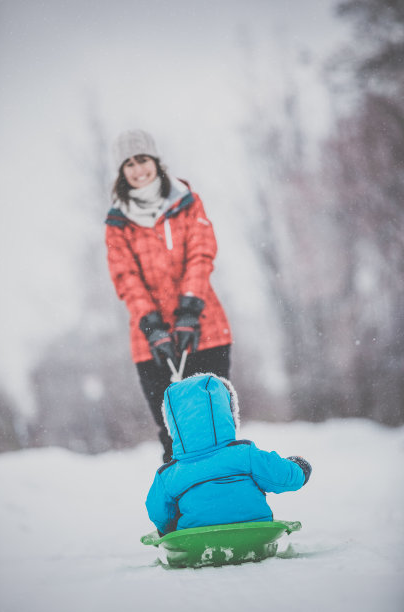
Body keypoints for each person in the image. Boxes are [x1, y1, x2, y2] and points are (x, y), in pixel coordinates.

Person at [105, 129, 232, 462]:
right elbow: (125, 276)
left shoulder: (187, 202)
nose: (137, 169)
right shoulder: (116, 221)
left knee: (218, 425)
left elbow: (202, 253)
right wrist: (153, 327)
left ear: (156, 162)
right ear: (121, 172)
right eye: (128, 164)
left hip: (207, 329)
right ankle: (183, 512)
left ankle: (228, 502)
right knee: (173, 432)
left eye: (142, 159)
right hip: (151, 343)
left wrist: (190, 311)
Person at [145, 373, 312, 535]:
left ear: (174, 424)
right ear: (226, 415)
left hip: (196, 540)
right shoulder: (245, 455)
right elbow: (283, 476)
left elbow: (158, 512)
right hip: (254, 533)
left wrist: (168, 529)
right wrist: (299, 468)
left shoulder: (170, 475)